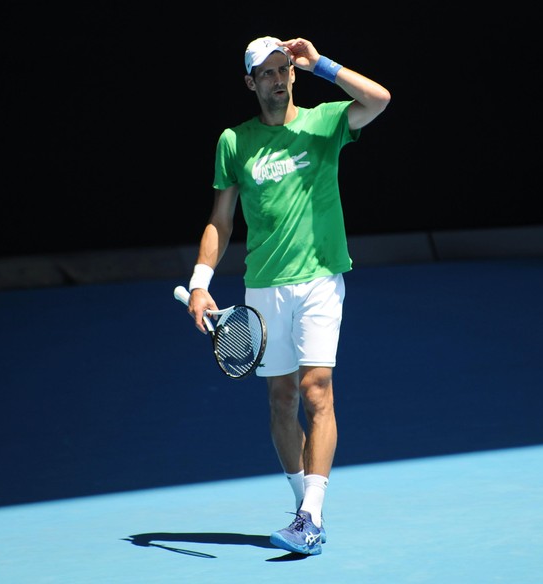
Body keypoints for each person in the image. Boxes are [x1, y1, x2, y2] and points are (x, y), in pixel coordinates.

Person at [183, 36, 390, 556]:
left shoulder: (324, 123)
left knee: (317, 389)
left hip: (320, 279)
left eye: (285, 70)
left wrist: (321, 63)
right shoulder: (234, 141)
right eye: (268, 73)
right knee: (282, 400)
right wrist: (202, 283)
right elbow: (221, 221)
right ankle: (305, 508)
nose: (279, 79)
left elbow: (379, 99)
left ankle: (310, 517)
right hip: (264, 287)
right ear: (251, 82)